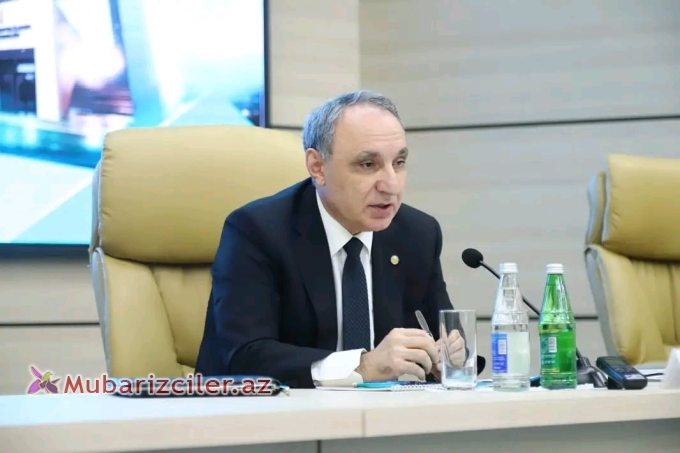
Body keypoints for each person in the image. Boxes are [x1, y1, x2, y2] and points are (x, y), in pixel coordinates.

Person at [195, 90, 470, 388]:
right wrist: (362, 366)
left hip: (379, 412)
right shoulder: (257, 231)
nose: (391, 184)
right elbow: (245, 356)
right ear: (317, 167)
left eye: (399, 162)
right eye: (368, 164)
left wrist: (449, 359)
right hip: (269, 411)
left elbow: (445, 337)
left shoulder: (417, 234)